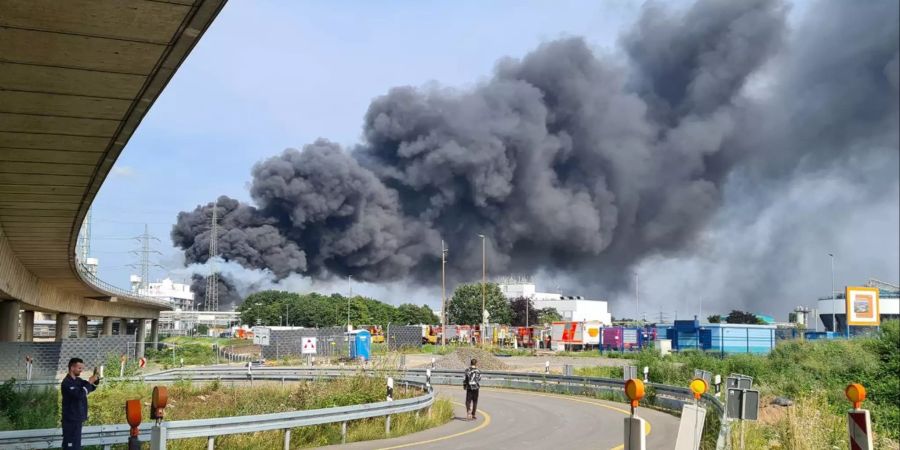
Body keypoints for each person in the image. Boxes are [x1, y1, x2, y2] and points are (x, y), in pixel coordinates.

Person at [61, 358, 99, 450]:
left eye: (82, 368)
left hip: (77, 420)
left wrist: (96, 379)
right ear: (72, 368)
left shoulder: (78, 380)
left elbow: (90, 387)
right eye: (79, 368)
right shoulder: (66, 383)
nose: (81, 370)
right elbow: (79, 394)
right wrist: (90, 382)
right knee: (70, 447)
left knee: (76, 446)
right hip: (70, 421)